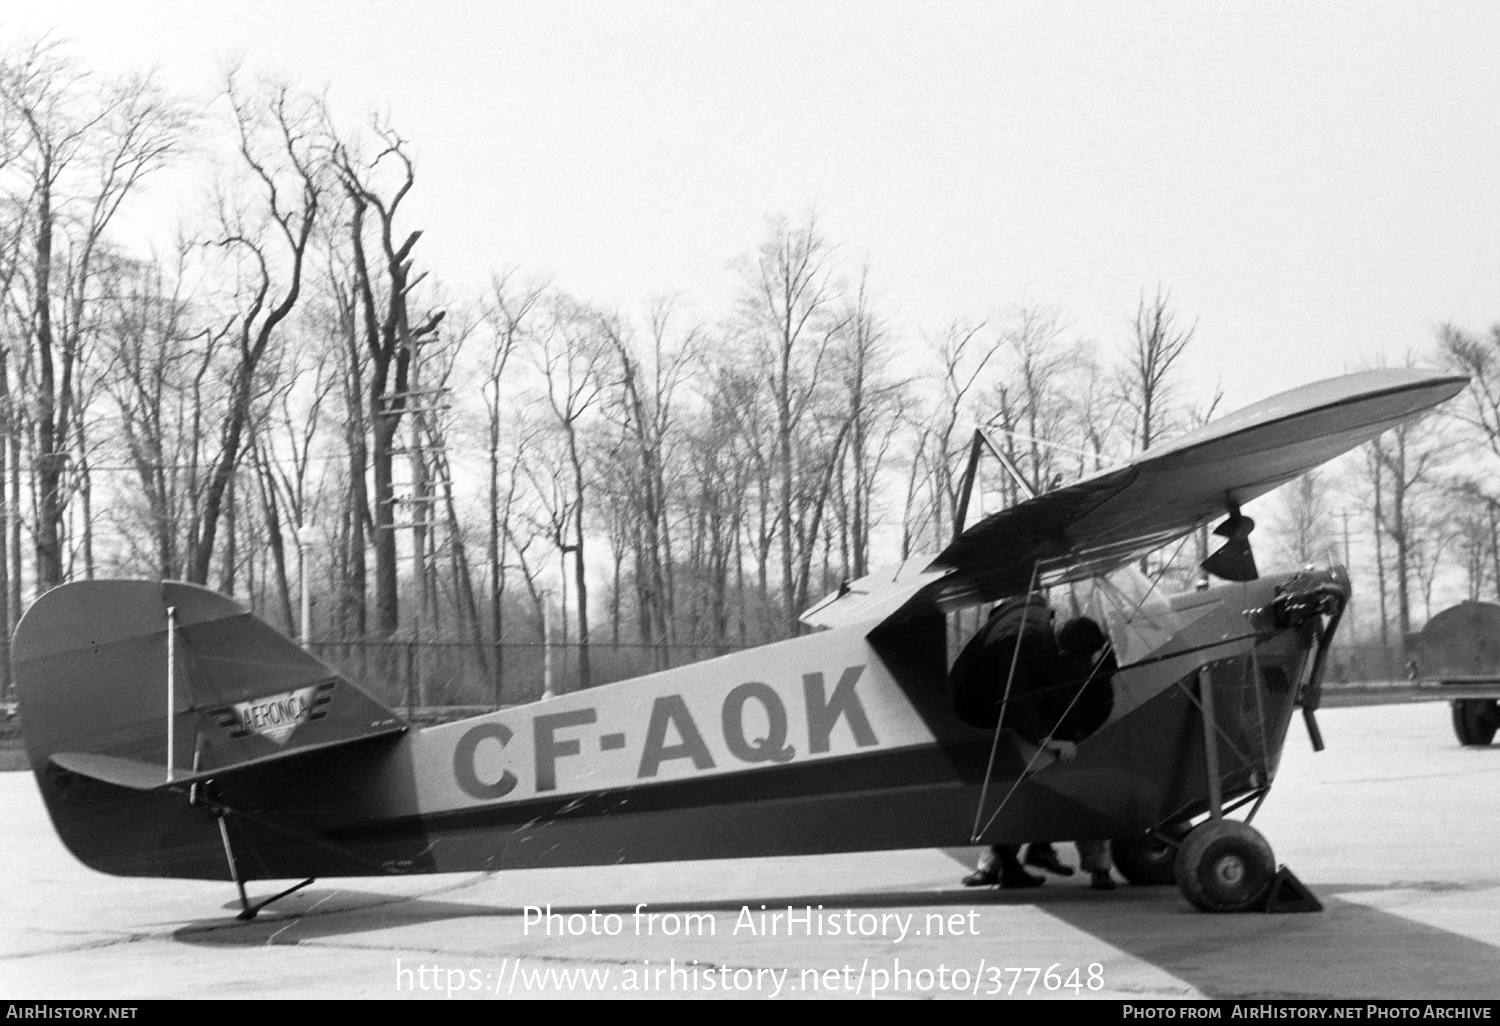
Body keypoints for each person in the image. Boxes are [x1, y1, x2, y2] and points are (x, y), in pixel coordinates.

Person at [955, 607, 1118, 889]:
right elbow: (1018, 697)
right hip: (1047, 733)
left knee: (1032, 784)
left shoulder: (1043, 638)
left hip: (1058, 732)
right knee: (1050, 784)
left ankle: (1010, 861)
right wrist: (1050, 739)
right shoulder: (1030, 645)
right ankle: (1016, 860)